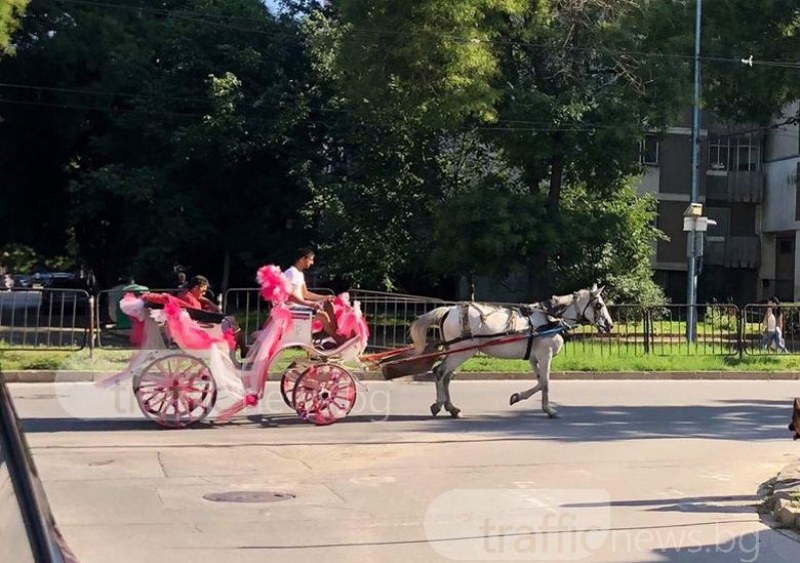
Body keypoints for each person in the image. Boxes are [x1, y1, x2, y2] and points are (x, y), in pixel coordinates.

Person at [283, 247, 341, 342]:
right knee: (323, 315)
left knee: (329, 304)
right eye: (310, 259)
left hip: (299, 306)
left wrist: (325, 297)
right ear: (302, 259)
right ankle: (338, 340)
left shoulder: (299, 274)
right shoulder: (291, 273)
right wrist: (309, 304)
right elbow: (291, 296)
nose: (312, 262)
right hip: (292, 308)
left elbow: (305, 293)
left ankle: (336, 335)